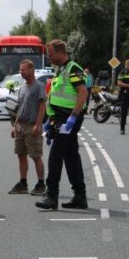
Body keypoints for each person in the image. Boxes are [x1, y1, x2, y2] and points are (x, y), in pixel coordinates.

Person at [35, 39, 88, 211]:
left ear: (60, 52)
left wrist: (73, 116)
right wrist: (49, 122)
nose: (49, 57)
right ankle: (80, 196)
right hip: (59, 118)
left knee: (56, 156)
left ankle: (52, 196)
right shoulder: (60, 70)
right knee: (71, 156)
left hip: (68, 118)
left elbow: (83, 92)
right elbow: (56, 97)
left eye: (51, 54)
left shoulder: (73, 68)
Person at [8, 59, 47, 196]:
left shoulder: (38, 86)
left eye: (23, 69)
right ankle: (23, 183)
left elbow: (42, 106)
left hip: (32, 126)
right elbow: (20, 108)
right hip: (20, 126)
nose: (21, 72)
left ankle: (41, 184)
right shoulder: (22, 87)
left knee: (36, 155)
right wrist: (15, 125)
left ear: (31, 70)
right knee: (21, 154)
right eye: (20, 69)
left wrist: (38, 124)